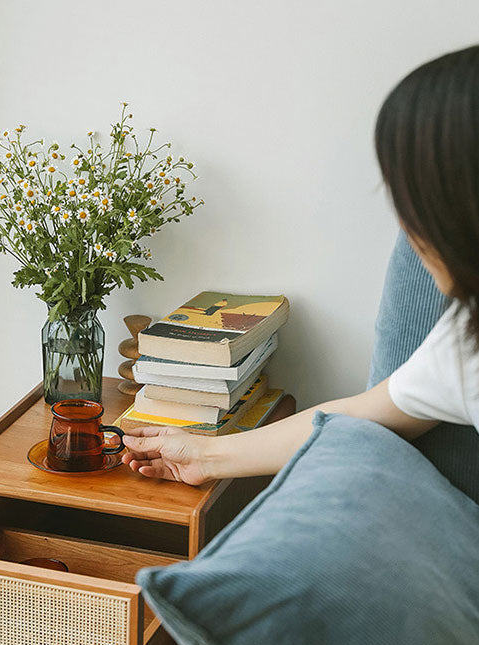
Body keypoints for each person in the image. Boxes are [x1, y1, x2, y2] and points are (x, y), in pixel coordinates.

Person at [122, 46, 479, 486]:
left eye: (412, 195)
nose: (407, 226)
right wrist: (203, 455)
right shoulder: (467, 340)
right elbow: (364, 415)